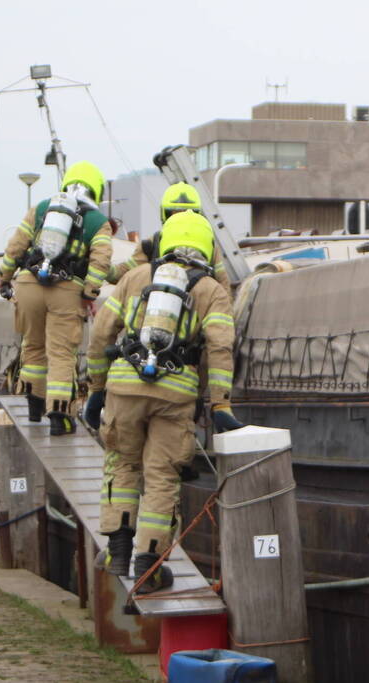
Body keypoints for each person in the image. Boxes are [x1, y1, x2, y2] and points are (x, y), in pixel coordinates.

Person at [84, 210, 244, 592]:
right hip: (176, 394)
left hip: (124, 387)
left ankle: (118, 551)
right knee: (161, 477)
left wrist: (95, 388)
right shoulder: (211, 291)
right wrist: (220, 404)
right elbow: (221, 348)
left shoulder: (134, 278)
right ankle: (149, 567)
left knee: (121, 467)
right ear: (206, 246)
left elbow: (102, 332)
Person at [0, 161, 113, 435]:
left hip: (27, 284)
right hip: (66, 290)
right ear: (95, 190)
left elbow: (16, 246)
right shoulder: (98, 222)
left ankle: (34, 405)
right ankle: (59, 417)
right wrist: (90, 292)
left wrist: (4, 276)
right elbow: (101, 262)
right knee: (61, 354)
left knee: (33, 346)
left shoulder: (40, 209)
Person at [106, 182, 231, 295]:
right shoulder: (151, 243)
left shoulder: (208, 245)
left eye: (187, 212)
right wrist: (101, 264)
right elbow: (124, 273)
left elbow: (223, 287)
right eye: (176, 213)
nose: (181, 217)